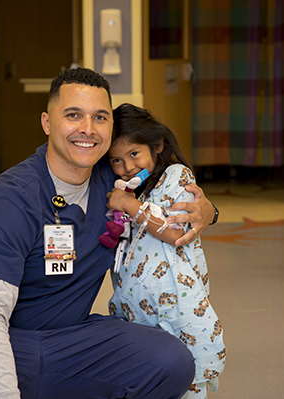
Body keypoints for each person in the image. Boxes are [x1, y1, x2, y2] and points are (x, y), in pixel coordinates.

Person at [0, 67, 217, 399]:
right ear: (47, 123)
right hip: (4, 335)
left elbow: (168, 193)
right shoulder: (11, 198)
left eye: (100, 118)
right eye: (73, 115)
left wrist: (209, 210)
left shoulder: (117, 181)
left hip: (71, 341)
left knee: (171, 361)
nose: (88, 130)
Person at [105, 103, 226, 399]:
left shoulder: (176, 176)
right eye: (116, 160)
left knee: (186, 376)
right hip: (136, 309)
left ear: (157, 145)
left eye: (134, 154)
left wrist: (129, 206)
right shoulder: (128, 188)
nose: (128, 167)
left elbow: (175, 233)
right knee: (148, 376)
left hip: (176, 308)